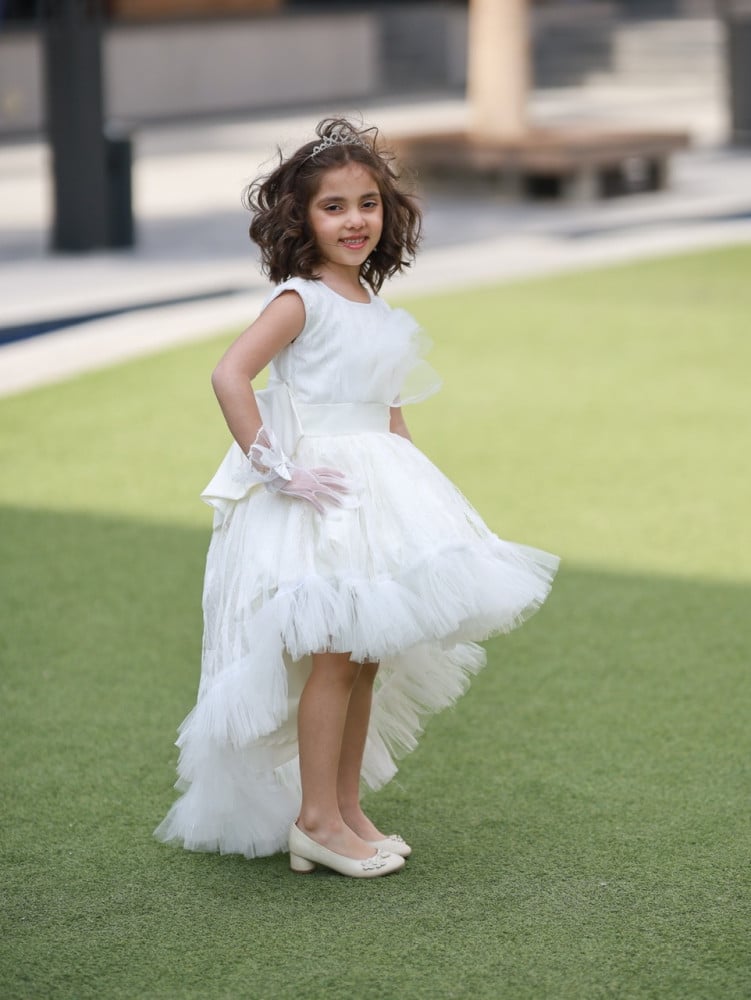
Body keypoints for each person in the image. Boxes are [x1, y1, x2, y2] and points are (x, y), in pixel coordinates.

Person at [155, 117, 559, 879]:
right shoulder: (300, 299)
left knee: (367, 656)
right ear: (300, 218)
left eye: (367, 204)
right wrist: (275, 467)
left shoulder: (373, 303)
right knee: (335, 658)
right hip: (320, 496)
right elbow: (230, 374)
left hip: (375, 489)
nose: (354, 221)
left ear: (387, 212)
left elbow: (388, 411)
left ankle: (343, 809)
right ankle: (314, 821)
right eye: (333, 207)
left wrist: (419, 494)